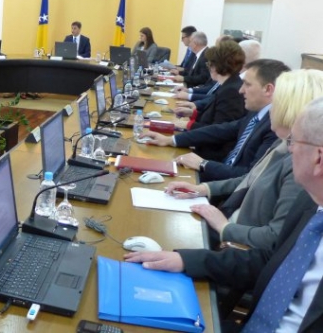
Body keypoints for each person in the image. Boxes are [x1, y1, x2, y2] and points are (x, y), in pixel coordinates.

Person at [125, 97, 323, 332]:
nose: (289, 149)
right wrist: (186, 260)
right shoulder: (309, 206)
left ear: (318, 158)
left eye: (293, 141)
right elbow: (271, 262)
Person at [164, 69, 323, 250]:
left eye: (276, 102)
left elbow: (275, 237)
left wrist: (225, 227)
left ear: (291, 107)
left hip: (236, 243)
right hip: (229, 222)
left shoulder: (301, 164)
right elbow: (250, 179)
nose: (271, 108)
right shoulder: (281, 143)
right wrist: (202, 188)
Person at [145, 59, 290, 181]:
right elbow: (220, 130)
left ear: (268, 89)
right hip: (219, 175)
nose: (241, 90)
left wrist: (204, 164)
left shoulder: (276, 127)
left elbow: (249, 177)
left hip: (226, 189)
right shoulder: (257, 113)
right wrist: (171, 140)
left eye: (247, 84)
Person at [173, 40, 246, 130]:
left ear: (217, 66)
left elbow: (219, 130)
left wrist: (189, 125)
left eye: (209, 64)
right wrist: (193, 113)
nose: (209, 68)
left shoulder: (231, 90)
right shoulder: (228, 84)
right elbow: (213, 116)